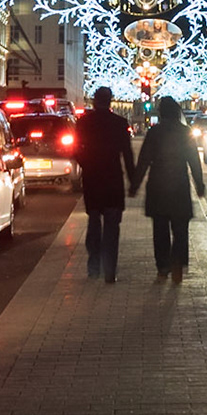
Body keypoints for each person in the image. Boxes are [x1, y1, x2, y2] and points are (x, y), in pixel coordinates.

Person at [130, 95, 204, 282]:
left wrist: (135, 184)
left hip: (158, 184)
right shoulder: (185, 132)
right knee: (180, 228)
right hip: (179, 184)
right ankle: (177, 261)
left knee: (160, 228)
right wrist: (199, 184)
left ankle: (163, 265)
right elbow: (194, 161)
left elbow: (144, 160)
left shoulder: (155, 133)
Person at [76, 86, 138, 284]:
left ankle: (94, 265)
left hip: (93, 179)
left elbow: (76, 149)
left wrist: (86, 164)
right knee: (112, 227)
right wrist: (133, 181)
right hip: (113, 180)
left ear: (95, 101)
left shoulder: (84, 123)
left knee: (94, 221)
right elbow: (127, 154)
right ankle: (110, 268)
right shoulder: (119, 124)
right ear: (110, 101)